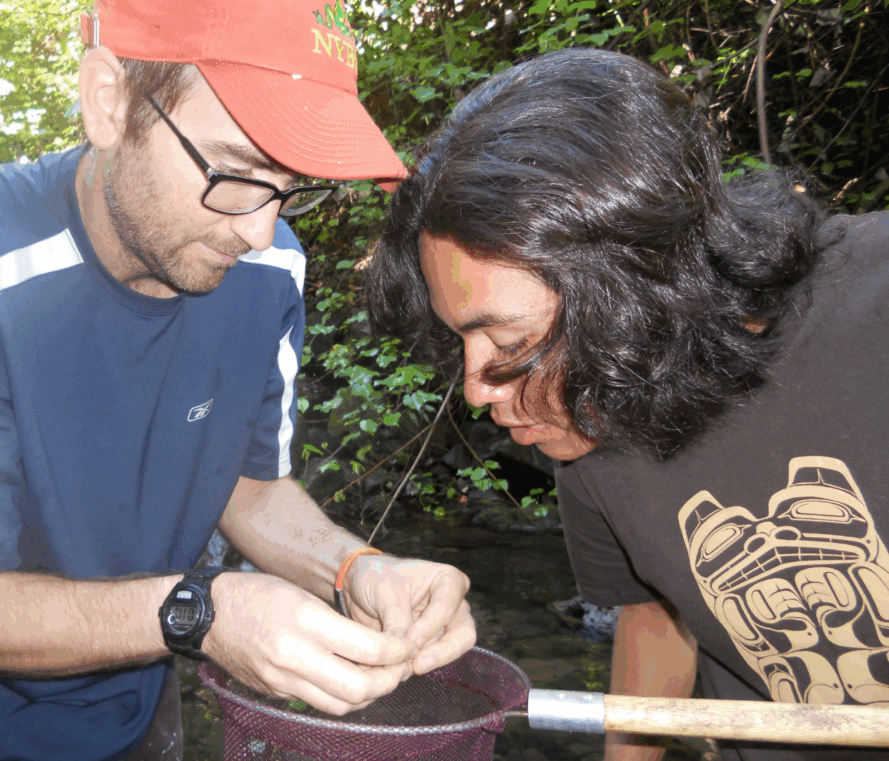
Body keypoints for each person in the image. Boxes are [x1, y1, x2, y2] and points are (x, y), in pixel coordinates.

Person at [0, 1, 476, 759]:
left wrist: (356, 569)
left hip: (144, 718)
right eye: (234, 172)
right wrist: (204, 613)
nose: (260, 229)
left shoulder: (270, 269)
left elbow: (247, 485)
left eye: (291, 185)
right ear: (108, 102)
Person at [366, 47, 889, 761]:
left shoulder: (872, 312)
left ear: (642, 284)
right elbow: (657, 610)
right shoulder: (585, 422)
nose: (477, 388)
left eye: (510, 340)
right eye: (463, 339)